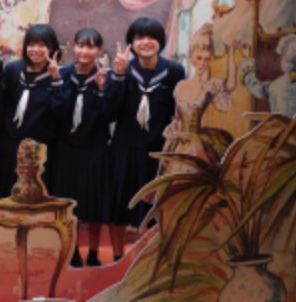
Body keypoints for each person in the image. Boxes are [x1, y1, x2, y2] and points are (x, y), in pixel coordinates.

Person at [107, 17, 185, 261]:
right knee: (119, 203)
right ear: (131, 43)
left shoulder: (174, 71)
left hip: (158, 149)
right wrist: (118, 76)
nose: (146, 42)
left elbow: (179, 111)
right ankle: (118, 257)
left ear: (160, 42)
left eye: (151, 37)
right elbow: (110, 113)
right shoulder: (123, 69)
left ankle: (150, 258)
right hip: (125, 148)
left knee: (155, 207)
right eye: (140, 37)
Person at [50, 28, 112, 267]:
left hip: (95, 148)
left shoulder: (104, 76)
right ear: (73, 47)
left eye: (91, 46)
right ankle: (73, 250)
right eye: (81, 45)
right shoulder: (62, 73)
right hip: (66, 148)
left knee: (95, 202)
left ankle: (94, 252)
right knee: (69, 203)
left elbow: (108, 116)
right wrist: (58, 82)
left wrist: (102, 89)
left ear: (99, 50)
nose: (85, 51)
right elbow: (57, 111)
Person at [0, 23, 63, 201]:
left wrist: (56, 81)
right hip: (11, 147)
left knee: (35, 203)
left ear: (52, 48)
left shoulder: (59, 75)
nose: (35, 50)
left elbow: (60, 112)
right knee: (7, 200)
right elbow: (3, 105)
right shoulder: (13, 70)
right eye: (31, 44)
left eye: (42, 45)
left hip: (40, 152)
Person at [162, 23, 237, 173]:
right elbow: (177, 119)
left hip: (198, 144)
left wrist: (231, 53)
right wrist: (169, 141)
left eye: (206, 59)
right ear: (191, 57)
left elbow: (230, 85)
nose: (202, 63)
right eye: (199, 58)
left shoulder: (209, 86)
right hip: (179, 143)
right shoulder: (181, 87)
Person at [240, 33, 296, 117]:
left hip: (280, 126)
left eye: (281, 58)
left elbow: (256, 88)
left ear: (284, 59)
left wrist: (248, 60)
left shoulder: (274, 86)